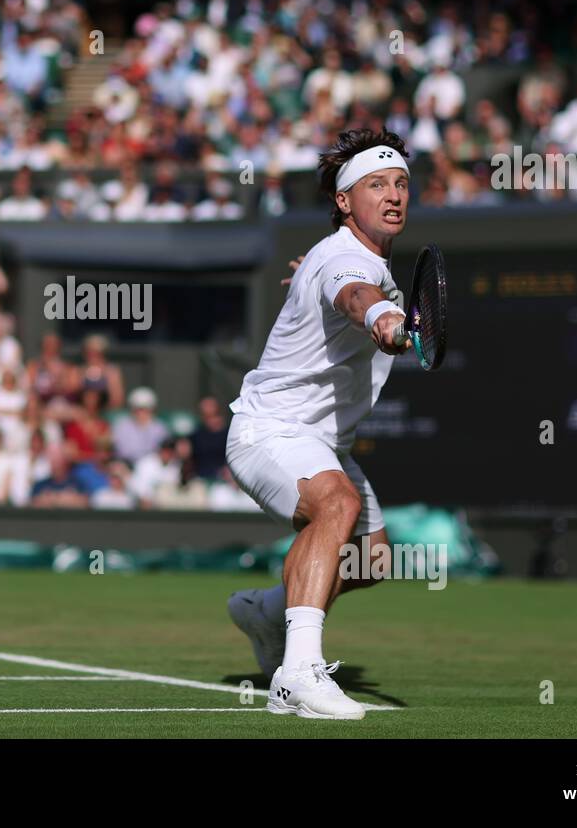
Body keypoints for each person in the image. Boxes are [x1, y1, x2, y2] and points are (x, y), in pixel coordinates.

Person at [224, 129, 413, 721]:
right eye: (376, 185)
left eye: (401, 183)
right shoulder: (347, 262)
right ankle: (298, 674)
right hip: (269, 432)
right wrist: (380, 314)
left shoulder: (336, 254)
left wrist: (323, 276)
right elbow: (354, 293)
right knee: (336, 507)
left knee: (372, 560)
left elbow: (342, 277)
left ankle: (267, 611)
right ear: (343, 200)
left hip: (321, 439)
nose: (393, 195)